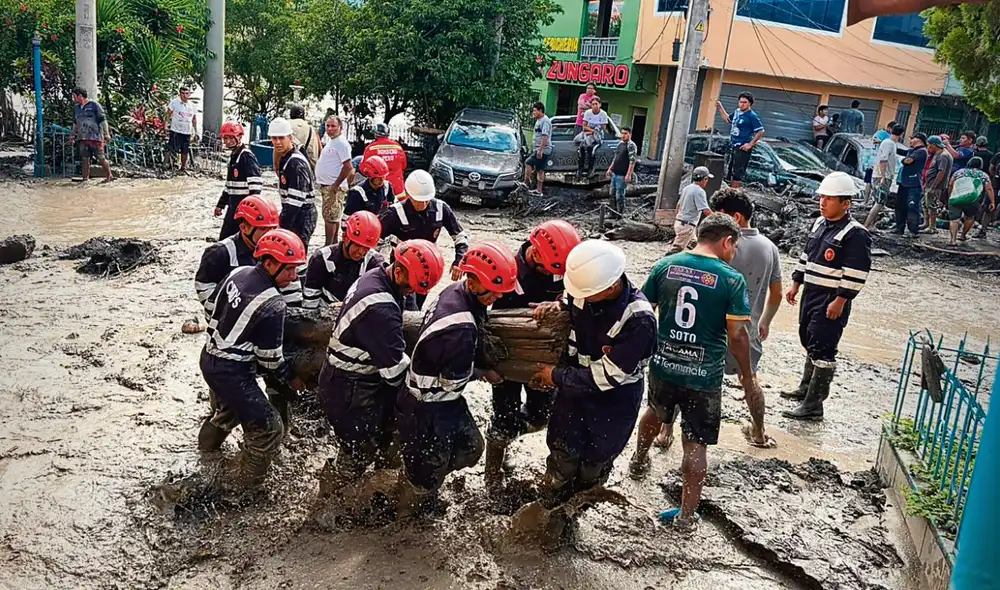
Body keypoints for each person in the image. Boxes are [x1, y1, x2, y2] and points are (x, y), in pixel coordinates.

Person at [627, 215, 760, 532]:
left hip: (664, 364)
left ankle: (638, 461)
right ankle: (686, 518)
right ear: (727, 241)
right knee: (696, 443)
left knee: (655, 412)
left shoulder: (666, 266)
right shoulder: (730, 279)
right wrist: (746, 375)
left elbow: (643, 312)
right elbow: (738, 335)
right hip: (704, 376)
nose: (733, 253)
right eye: (734, 247)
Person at [528, 240, 656, 508]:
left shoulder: (638, 320)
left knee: (594, 464)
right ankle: (548, 506)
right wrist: (558, 306)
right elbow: (570, 296)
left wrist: (556, 377)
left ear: (610, 287)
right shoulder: (584, 290)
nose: (579, 297)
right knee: (562, 454)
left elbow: (607, 377)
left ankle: (575, 510)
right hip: (574, 392)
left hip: (614, 399)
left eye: (585, 293)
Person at [396, 242, 519, 513]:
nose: (496, 299)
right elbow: (454, 381)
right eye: (493, 293)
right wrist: (486, 373)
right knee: (426, 473)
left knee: (472, 448)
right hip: (427, 405)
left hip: (440, 399)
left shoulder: (455, 291)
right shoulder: (460, 329)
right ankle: (412, 506)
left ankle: (421, 476)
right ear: (473, 282)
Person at [317, 239, 445, 494]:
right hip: (349, 387)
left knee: (383, 434)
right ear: (399, 272)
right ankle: (328, 502)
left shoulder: (377, 275)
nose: (411, 294)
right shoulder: (380, 309)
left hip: (352, 378)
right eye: (411, 288)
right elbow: (395, 371)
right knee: (357, 452)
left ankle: (373, 490)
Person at [197, 229, 307, 487]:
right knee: (269, 428)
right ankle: (242, 488)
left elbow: (212, 306)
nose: (293, 277)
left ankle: (204, 455)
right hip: (232, 371)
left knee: (227, 412)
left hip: (209, 356)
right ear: (269, 263)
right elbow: (270, 361)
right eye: (289, 269)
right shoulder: (273, 304)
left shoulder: (238, 273)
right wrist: (292, 379)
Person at [483, 220, 582, 492]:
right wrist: (485, 364)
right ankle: (492, 474)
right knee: (504, 416)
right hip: (506, 353)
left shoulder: (561, 265)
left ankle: (511, 434)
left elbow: (578, 292)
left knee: (541, 415)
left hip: (544, 356)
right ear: (536, 254)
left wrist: (560, 302)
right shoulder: (508, 269)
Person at [784, 172, 871, 421]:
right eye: (822, 197)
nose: (823, 203)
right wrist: (796, 282)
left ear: (846, 203)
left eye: (829, 199)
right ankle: (805, 388)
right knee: (808, 337)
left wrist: (841, 300)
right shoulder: (820, 224)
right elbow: (807, 255)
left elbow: (856, 272)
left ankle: (814, 404)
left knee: (823, 347)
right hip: (811, 292)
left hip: (830, 297)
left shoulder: (855, 234)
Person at [710, 190, 782, 436]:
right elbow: (777, 294)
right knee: (749, 379)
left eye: (721, 218)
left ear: (736, 217)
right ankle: (759, 432)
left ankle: (666, 432)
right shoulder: (770, 248)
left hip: (714, 331)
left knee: (695, 380)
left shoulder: (721, 245)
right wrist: (765, 322)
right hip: (747, 331)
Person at [195, 195, 302, 317]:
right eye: (264, 229)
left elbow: (291, 291)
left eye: (273, 228)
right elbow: (204, 289)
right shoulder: (219, 253)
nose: (270, 234)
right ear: (244, 228)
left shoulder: (281, 249)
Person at [379, 169, 469, 309]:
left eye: (425, 200)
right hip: (403, 268)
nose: (422, 204)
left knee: (418, 304)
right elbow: (375, 240)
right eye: (418, 200)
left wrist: (459, 260)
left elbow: (459, 236)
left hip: (428, 268)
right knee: (407, 306)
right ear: (408, 194)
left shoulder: (441, 208)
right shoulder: (394, 213)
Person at [302, 211, 386, 309]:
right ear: (345, 237)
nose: (361, 252)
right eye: (357, 245)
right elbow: (310, 303)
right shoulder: (321, 259)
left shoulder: (375, 263)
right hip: (324, 314)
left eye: (366, 248)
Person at [270, 117, 318, 251]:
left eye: (281, 138)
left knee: (295, 253)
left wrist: (281, 225)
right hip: (295, 213)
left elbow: (294, 203)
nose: (277, 142)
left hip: (302, 216)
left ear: (290, 137)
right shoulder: (286, 158)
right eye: (274, 138)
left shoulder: (296, 163)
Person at [215, 121, 263, 240]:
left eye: (230, 138)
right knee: (227, 239)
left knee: (234, 240)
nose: (227, 141)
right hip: (234, 206)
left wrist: (250, 211)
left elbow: (256, 187)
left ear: (239, 137)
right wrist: (220, 204)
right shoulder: (234, 157)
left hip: (243, 209)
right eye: (225, 138)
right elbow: (229, 186)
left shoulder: (246, 156)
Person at [315, 115, 354, 247]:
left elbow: (348, 166)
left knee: (330, 217)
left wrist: (336, 185)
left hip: (333, 187)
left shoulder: (341, 143)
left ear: (340, 128)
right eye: (328, 126)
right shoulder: (333, 142)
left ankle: (328, 245)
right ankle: (334, 244)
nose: (330, 129)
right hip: (327, 185)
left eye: (333, 126)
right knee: (333, 216)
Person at [715, 92, 765, 189]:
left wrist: (750, 144)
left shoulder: (752, 116)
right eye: (740, 102)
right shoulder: (737, 112)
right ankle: (729, 190)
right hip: (733, 145)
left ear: (750, 103)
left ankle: (734, 191)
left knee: (737, 172)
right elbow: (727, 119)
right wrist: (720, 108)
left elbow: (761, 131)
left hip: (742, 147)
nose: (742, 104)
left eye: (745, 102)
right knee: (730, 170)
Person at [69, 86, 114, 183]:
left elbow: (103, 120)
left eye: (74, 96)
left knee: (101, 158)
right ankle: (85, 178)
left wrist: (107, 134)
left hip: (96, 137)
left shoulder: (94, 105)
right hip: (83, 137)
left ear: (80, 96)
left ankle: (109, 176)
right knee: (85, 158)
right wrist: (72, 134)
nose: (73, 98)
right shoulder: (76, 108)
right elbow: (75, 122)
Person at [947, 157, 995, 246]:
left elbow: (950, 184)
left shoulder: (959, 172)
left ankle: (952, 240)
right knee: (969, 218)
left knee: (954, 220)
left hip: (956, 197)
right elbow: (988, 189)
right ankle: (962, 235)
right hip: (972, 200)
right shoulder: (983, 175)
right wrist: (992, 202)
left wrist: (950, 196)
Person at [864, 123, 904, 230]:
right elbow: (883, 160)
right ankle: (867, 225)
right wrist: (882, 176)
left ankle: (871, 224)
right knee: (880, 202)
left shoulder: (890, 143)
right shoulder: (889, 144)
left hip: (883, 175)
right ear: (901, 134)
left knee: (878, 201)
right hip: (882, 176)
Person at [670, 167, 714, 254]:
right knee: (675, 250)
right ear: (704, 179)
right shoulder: (699, 191)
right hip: (687, 225)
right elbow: (705, 210)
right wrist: (718, 218)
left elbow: (678, 206)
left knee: (695, 245)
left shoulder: (686, 188)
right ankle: (664, 265)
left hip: (680, 222)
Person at [362, 122, 407, 201]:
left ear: (375, 134)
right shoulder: (397, 147)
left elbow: (364, 169)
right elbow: (404, 166)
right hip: (399, 191)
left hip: (380, 192)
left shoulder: (371, 148)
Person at [894, 133, 928, 237]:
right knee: (900, 205)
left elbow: (908, 161)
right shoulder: (912, 150)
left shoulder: (922, 151)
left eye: (912, 139)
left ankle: (913, 231)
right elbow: (901, 152)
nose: (911, 141)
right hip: (904, 183)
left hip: (913, 184)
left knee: (912, 207)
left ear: (918, 140)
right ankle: (899, 228)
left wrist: (903, 160)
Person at [919, 135, 952, 235]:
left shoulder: (943, 156)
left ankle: (932, 227)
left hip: (935, 186)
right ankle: (926, 223)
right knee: (925, 204)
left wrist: (933, 186)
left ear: (934, 145)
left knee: (932, 206)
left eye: (929, 146)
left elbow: (941, 172)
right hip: (929, 184)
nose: (928, 148)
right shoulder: (937, 154)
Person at [605, 126, 638, 215]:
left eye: (625, 133)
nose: (623, 135)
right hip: (615, 173)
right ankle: (612, 213)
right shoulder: (620, 144)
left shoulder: (631, 145)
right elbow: (615, 158)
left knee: (619, 195)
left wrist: (628, 174)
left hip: (622, 175)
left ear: (630, 135)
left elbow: (632, 161)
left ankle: (619, 214)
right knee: (611, 194)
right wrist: (610, 169)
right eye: (622, 133)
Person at [575, 98, 609, 178]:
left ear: (600, 105)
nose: (594, 106)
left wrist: (593, 131)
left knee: (591, 148)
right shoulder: (588, 113)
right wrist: (591, 131)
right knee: (582, 146)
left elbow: (603, 128)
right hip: (587, 133)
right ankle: (581, 168)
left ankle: (591, 168)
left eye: (596, 104)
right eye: (593, 104)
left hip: (598, 134)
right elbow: (584, 126)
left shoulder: (603, 114)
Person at [167, 87, 198, 172]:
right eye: (183, 93)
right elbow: (168, 114)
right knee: (170, 148)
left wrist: (195, 131)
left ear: (189, 94)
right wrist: (165, 125)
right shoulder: (174, 103)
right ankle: (166, 165)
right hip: (175, 130)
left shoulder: (192, 106)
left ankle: (183, 168)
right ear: (180, 94)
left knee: (185, 150)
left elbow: (194, 119)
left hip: (186, 131)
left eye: (186, 93)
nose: (185, 95)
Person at [524, 102, 553, 194]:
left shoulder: (545, 121)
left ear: (540, 111)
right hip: (538, 149)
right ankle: (539, 190)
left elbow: (545, 136)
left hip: (543, 150)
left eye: (535, 111)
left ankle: (525, 184)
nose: (533, 113)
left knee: (528, 162)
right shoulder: (539, 120)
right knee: (540, 170)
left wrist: (540, 150)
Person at [288, 104, 320, 171]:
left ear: (291, 114)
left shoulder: (286, 125)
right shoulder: (311, 129)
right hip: (307, 167)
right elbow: (316, 151)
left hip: (289, 166)